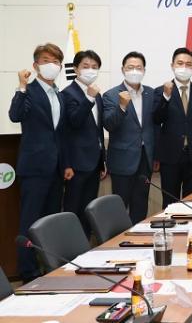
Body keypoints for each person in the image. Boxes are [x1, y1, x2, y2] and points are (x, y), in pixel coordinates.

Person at [9, 43, 67, 282]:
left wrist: (65, 165)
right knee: (30, 223)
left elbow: (60, 134)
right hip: (34, 168)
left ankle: (50, 268)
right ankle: (28, 272)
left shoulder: (59, 95)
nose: (51, 65)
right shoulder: (29, 91)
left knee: (50, 223)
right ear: (35, 65)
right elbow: (15, 115)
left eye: (56, 61)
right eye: (46, 61)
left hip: (56, 169)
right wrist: (21, 86)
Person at [154, 48, 192, 207]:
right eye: (180, 63)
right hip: (169, 156)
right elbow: (156, 119)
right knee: (170, 202)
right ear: (172, 65)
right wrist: (166, 97)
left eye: (188, 64)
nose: (184, 67)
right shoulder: (160, 91)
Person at [103, 51, 156, 223]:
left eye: (138, 68)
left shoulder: (151, 93)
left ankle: (138, 237)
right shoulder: (111, 95)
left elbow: (154, 126)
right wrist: (121, 107)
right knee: (119, 207)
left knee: (141, 205)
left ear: (144, 70)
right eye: (130, 67)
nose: (135, 71)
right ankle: (117, 239)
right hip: (122, 161)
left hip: (145, 159)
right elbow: (109, 125)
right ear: (123, 69)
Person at [61, 50, 107, 237]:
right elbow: (73, 122)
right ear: (75, 69)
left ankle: (85, 247)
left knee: (88, 211)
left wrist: (102, 160)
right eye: (85, 66)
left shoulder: (96, 94)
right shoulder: (67, 94)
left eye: (94, 67)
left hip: (94, 163)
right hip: (76, 164)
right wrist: (88, 98)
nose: (90, 70)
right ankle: (69, 248)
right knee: (72, 210)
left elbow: (98, 129)